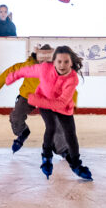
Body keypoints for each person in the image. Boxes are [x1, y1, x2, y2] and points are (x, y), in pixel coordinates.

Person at [6, 46, 92, 181]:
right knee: (50, 126)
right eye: (59, 62)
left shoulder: (72, 78)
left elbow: (63, 102)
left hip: (60, 106)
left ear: (71, 63)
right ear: (54, 61)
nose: (62, 65)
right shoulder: (44, 68)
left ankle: (75, 163)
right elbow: (25, 71)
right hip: (40, 99)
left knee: (70, 134)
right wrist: (12, 77)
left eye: (66, 62)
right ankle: (46, 157)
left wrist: (37, 100)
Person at [0, 44, 80, 152]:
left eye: (47, 59)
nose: (43, 62)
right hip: (28, 96)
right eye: (41, 58)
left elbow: (70, 88)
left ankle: (62, 149)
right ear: (37, 57)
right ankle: (22, 132)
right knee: (16, 116)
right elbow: (11, 71)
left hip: (48, 99)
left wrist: (72, 103)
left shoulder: (57, 70)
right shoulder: (29, 66)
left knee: (56, 124)